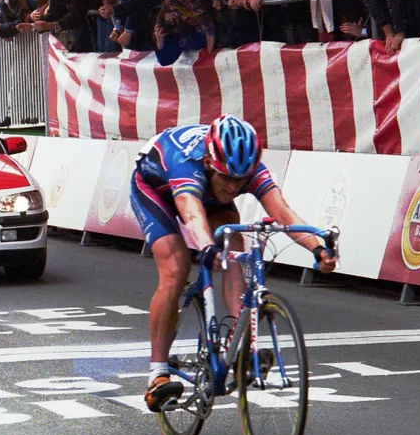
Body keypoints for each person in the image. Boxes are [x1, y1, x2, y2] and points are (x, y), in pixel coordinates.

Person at [131, 116, 337, 412]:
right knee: (176, 268)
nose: (233, 187)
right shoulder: (186, 163)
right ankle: (158, 375)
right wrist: (205, 248)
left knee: (234, 247)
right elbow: (191, 215)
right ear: (209, 163)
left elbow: (284, 214)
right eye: (226, 178)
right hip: (155, 189)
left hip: (206, 194)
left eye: (240, 180)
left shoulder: (245, 170)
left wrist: (317, 248)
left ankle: (235, 343)